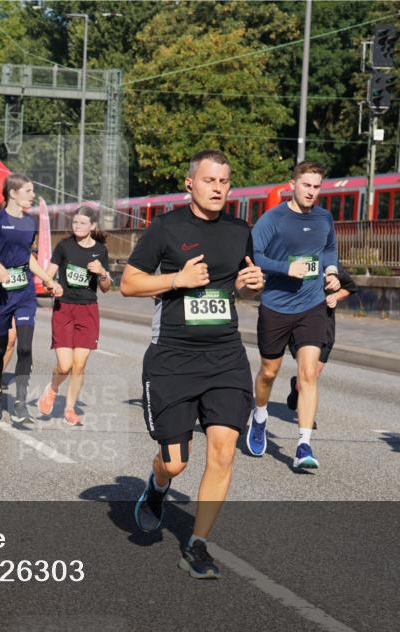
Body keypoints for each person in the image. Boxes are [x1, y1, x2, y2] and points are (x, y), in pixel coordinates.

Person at [122, 149, 264, 579]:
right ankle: (158, 485)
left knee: (223, 451)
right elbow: (129, 283)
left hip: (225, 357)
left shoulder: (240, 231)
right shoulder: (166, 228)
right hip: (173, 359)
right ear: (190, 184)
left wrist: (251, 286)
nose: (218, 188)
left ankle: (197, 544)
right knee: (175, 462)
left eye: (224, 181)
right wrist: (176, 279)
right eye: (209, 180)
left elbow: (240, 287)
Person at [247, 160, 339, 470]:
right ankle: (260, 415)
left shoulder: (324, 218)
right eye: (306, 185)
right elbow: (253, 255)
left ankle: (303, 445)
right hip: (276, 305)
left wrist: (331, 272)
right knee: (269, 372)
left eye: (317, 187)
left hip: (312, 305)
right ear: (292, 185)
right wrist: (285, 268)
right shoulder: (273, 218)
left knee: (308, 373)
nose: (311, 191)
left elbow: (329, 249)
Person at [0, 174, 62, 424]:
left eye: (32, 191)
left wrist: (49, 279)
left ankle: (20, 403)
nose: (32, 195)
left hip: (24, 293)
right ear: (13, 193)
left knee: (24, 348)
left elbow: (27, 257)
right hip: (0, 294)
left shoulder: (30, 223)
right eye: (28, 191)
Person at [37, 206, 111, 426]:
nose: (77, 226)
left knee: (79, 366)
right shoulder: (64, 246)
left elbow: (106, 287)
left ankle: (69, 408)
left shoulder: (100, 251)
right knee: (65, 365)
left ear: (92, 226)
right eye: (75, 222)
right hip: (65, 309)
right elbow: (47, 277)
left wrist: (102, 272)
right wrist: (52, 286)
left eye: (82, 223)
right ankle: (52, 388)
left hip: (88, 310)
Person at [285, 265, 358, 419]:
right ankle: (307, 418)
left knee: (313, 372)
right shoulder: (295, 260)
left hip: (325, 326)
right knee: (309, 372)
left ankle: (297, 387)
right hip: (297, 323)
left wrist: (335, 297)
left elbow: (349, 287)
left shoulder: (329, 264)